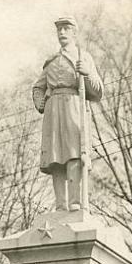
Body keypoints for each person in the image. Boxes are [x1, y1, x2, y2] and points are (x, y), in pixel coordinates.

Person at [32, 16, 103, 211]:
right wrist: (42, 104)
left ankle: (75, 203)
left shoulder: (83, 57)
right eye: (59, 29)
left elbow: (97, 92)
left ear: (74, 33)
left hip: (74, 105)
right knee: (55, 157)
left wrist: (87, 73)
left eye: (66, 29)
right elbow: (38, 87)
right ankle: (61, 205)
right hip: (54, 110)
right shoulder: (52, 61)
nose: (62, 33)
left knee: (74, 155)